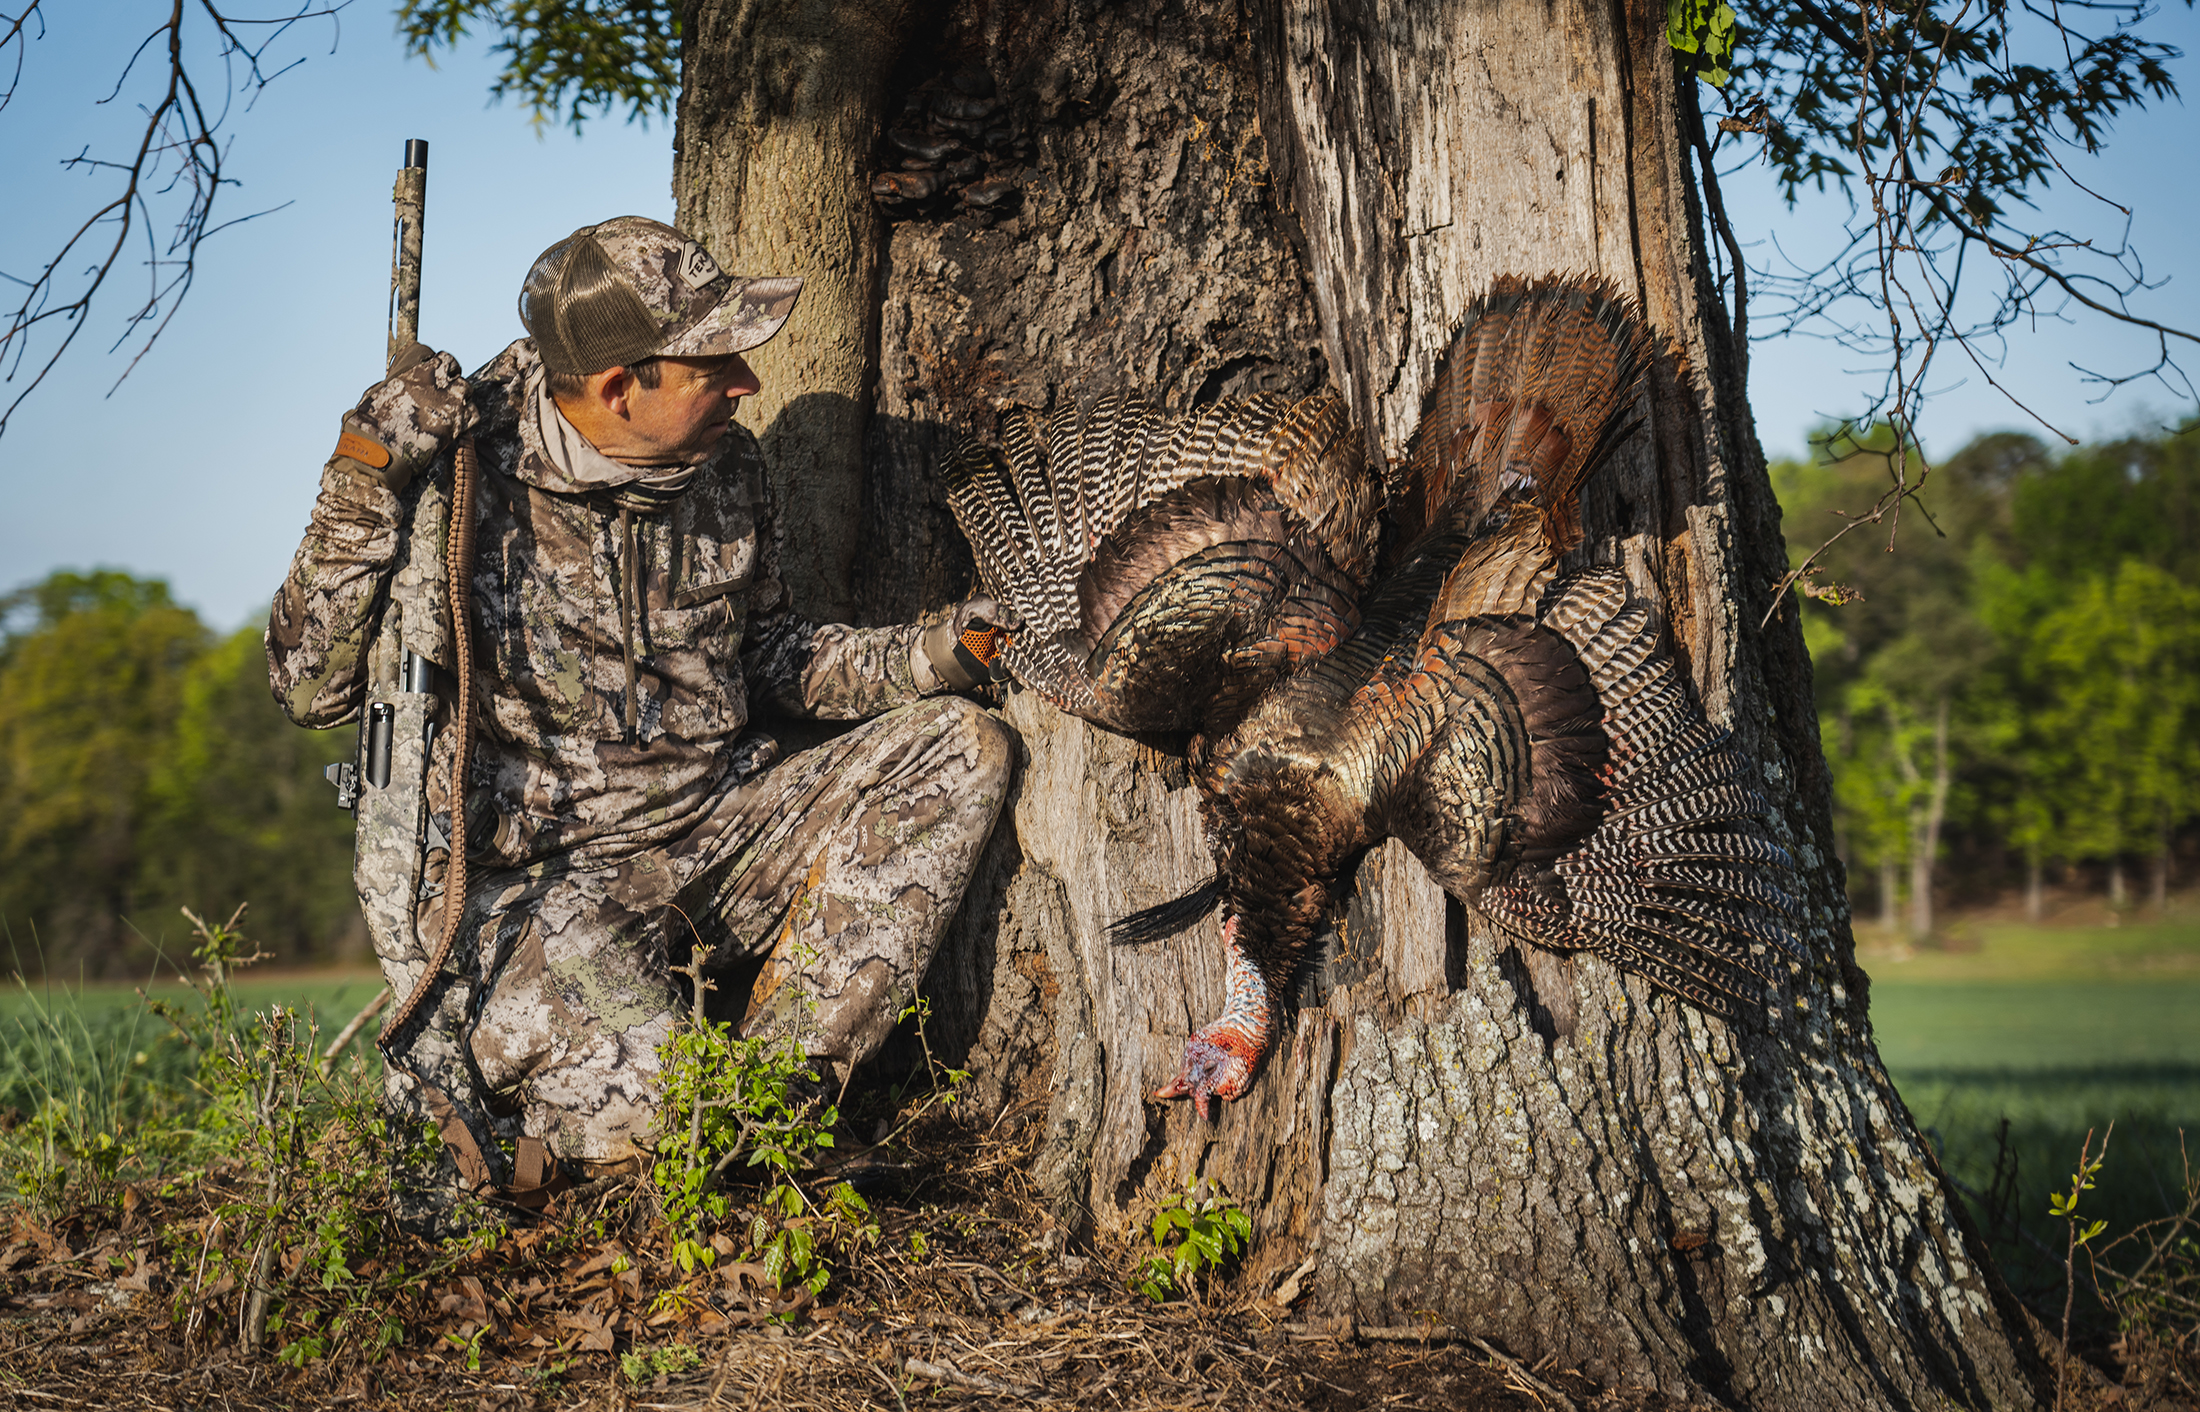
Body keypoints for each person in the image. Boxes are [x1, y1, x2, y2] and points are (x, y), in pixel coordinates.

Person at [267, 216, 1016, 1231]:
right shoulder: (455, 474)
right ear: (622, 385)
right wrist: (361, 473)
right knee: (667, 1112)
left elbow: (772, 656)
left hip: (720, 831)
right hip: (537, 900)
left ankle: (778, 1102)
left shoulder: (731, 470)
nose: (747, 383)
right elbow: (310, 689)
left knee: (958, 746)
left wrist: (928, 658)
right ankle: (678, 1118)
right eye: (716, 362)